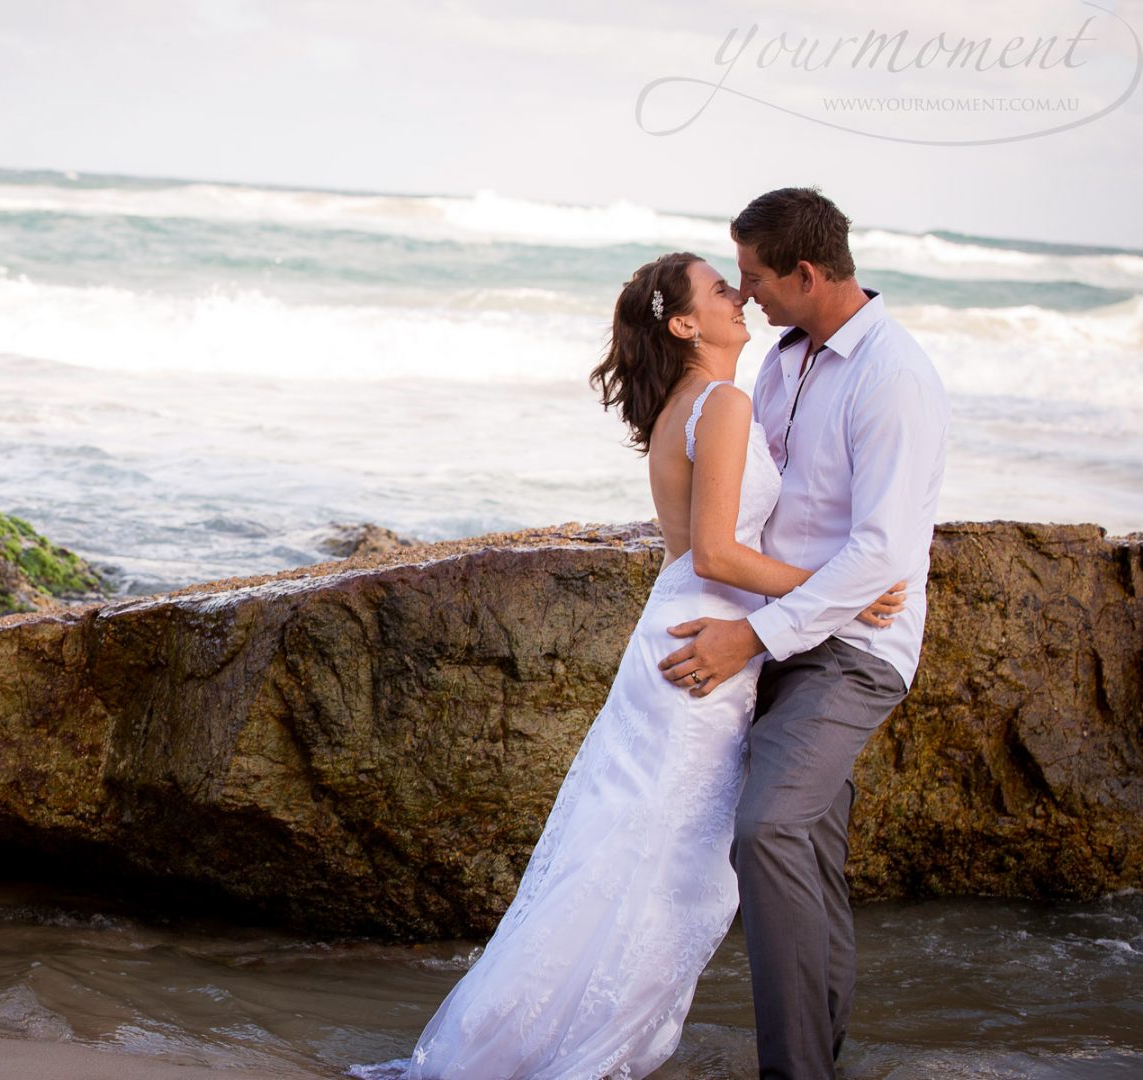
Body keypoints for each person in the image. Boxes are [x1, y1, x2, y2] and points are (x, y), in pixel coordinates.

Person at [350, 249, 904, 1080]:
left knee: (632, 844)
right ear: (685, 323)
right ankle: (575, 1045)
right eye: (723, 291)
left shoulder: (690, 404)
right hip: (704, 647)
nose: (741, 296)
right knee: (663, 859)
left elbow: (697, 554)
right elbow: (716, 554)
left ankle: (543, 1032)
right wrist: (842, 590)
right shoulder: (720, 402)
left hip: (685, 631)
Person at [657, 188, 949, 1078]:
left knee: (770, 829)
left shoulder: (893, 376)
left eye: (754, 279)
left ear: (808, 273)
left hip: (855, 651)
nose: (745, 296)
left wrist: (751, 638)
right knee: (811, 859)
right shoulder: (783, 362)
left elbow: (881, 558)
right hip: (782, 630)